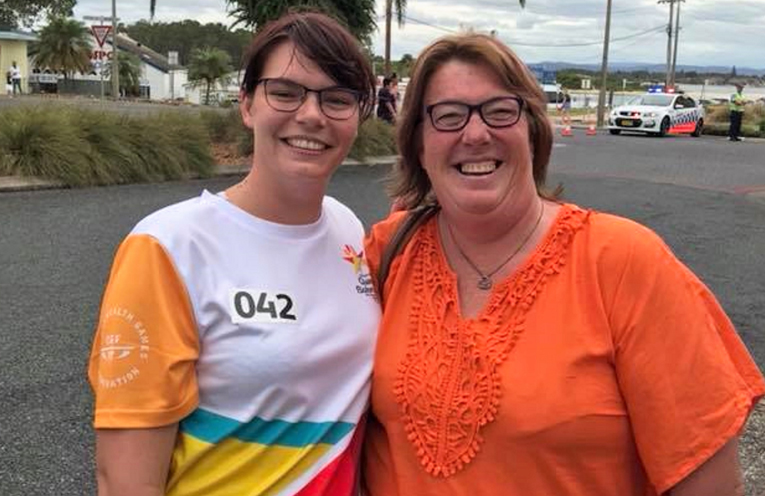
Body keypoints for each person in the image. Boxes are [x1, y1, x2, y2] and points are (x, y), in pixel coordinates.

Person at [362, 33, 764, 496]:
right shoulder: (386, 254)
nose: (475, 134)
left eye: (499, 111)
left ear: (533, 130)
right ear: (418, 144)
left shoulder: (625, 262)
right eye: (448, 116)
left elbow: (709, 486)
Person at [88, 11, 380, 496]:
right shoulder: (168, 246)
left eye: (338, 99)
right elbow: (123, 480)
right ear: (247, 105)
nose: (312, 115)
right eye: (285, 92)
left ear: (357, 117)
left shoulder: (347, 228)